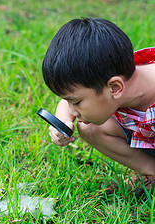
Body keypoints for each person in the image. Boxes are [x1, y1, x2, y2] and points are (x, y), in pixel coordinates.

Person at [42, 18, 155, 196]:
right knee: (89, 127)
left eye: (76, 102)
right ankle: (151, 172)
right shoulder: (111, 74)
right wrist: (63, 121)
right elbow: (66, 103)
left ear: (115, 88)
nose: (72, 110)